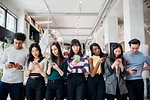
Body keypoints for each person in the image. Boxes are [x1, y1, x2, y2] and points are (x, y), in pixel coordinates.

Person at [0, 33, 28, 100]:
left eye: (19, 43)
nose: (17, 45)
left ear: (23, 42)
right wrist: (6, 66)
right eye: (15, 43)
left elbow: (27, 68)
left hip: (17, 83)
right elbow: (1, 63)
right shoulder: (7, 50)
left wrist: (20, 67)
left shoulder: (26, 52)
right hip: (5, 81)